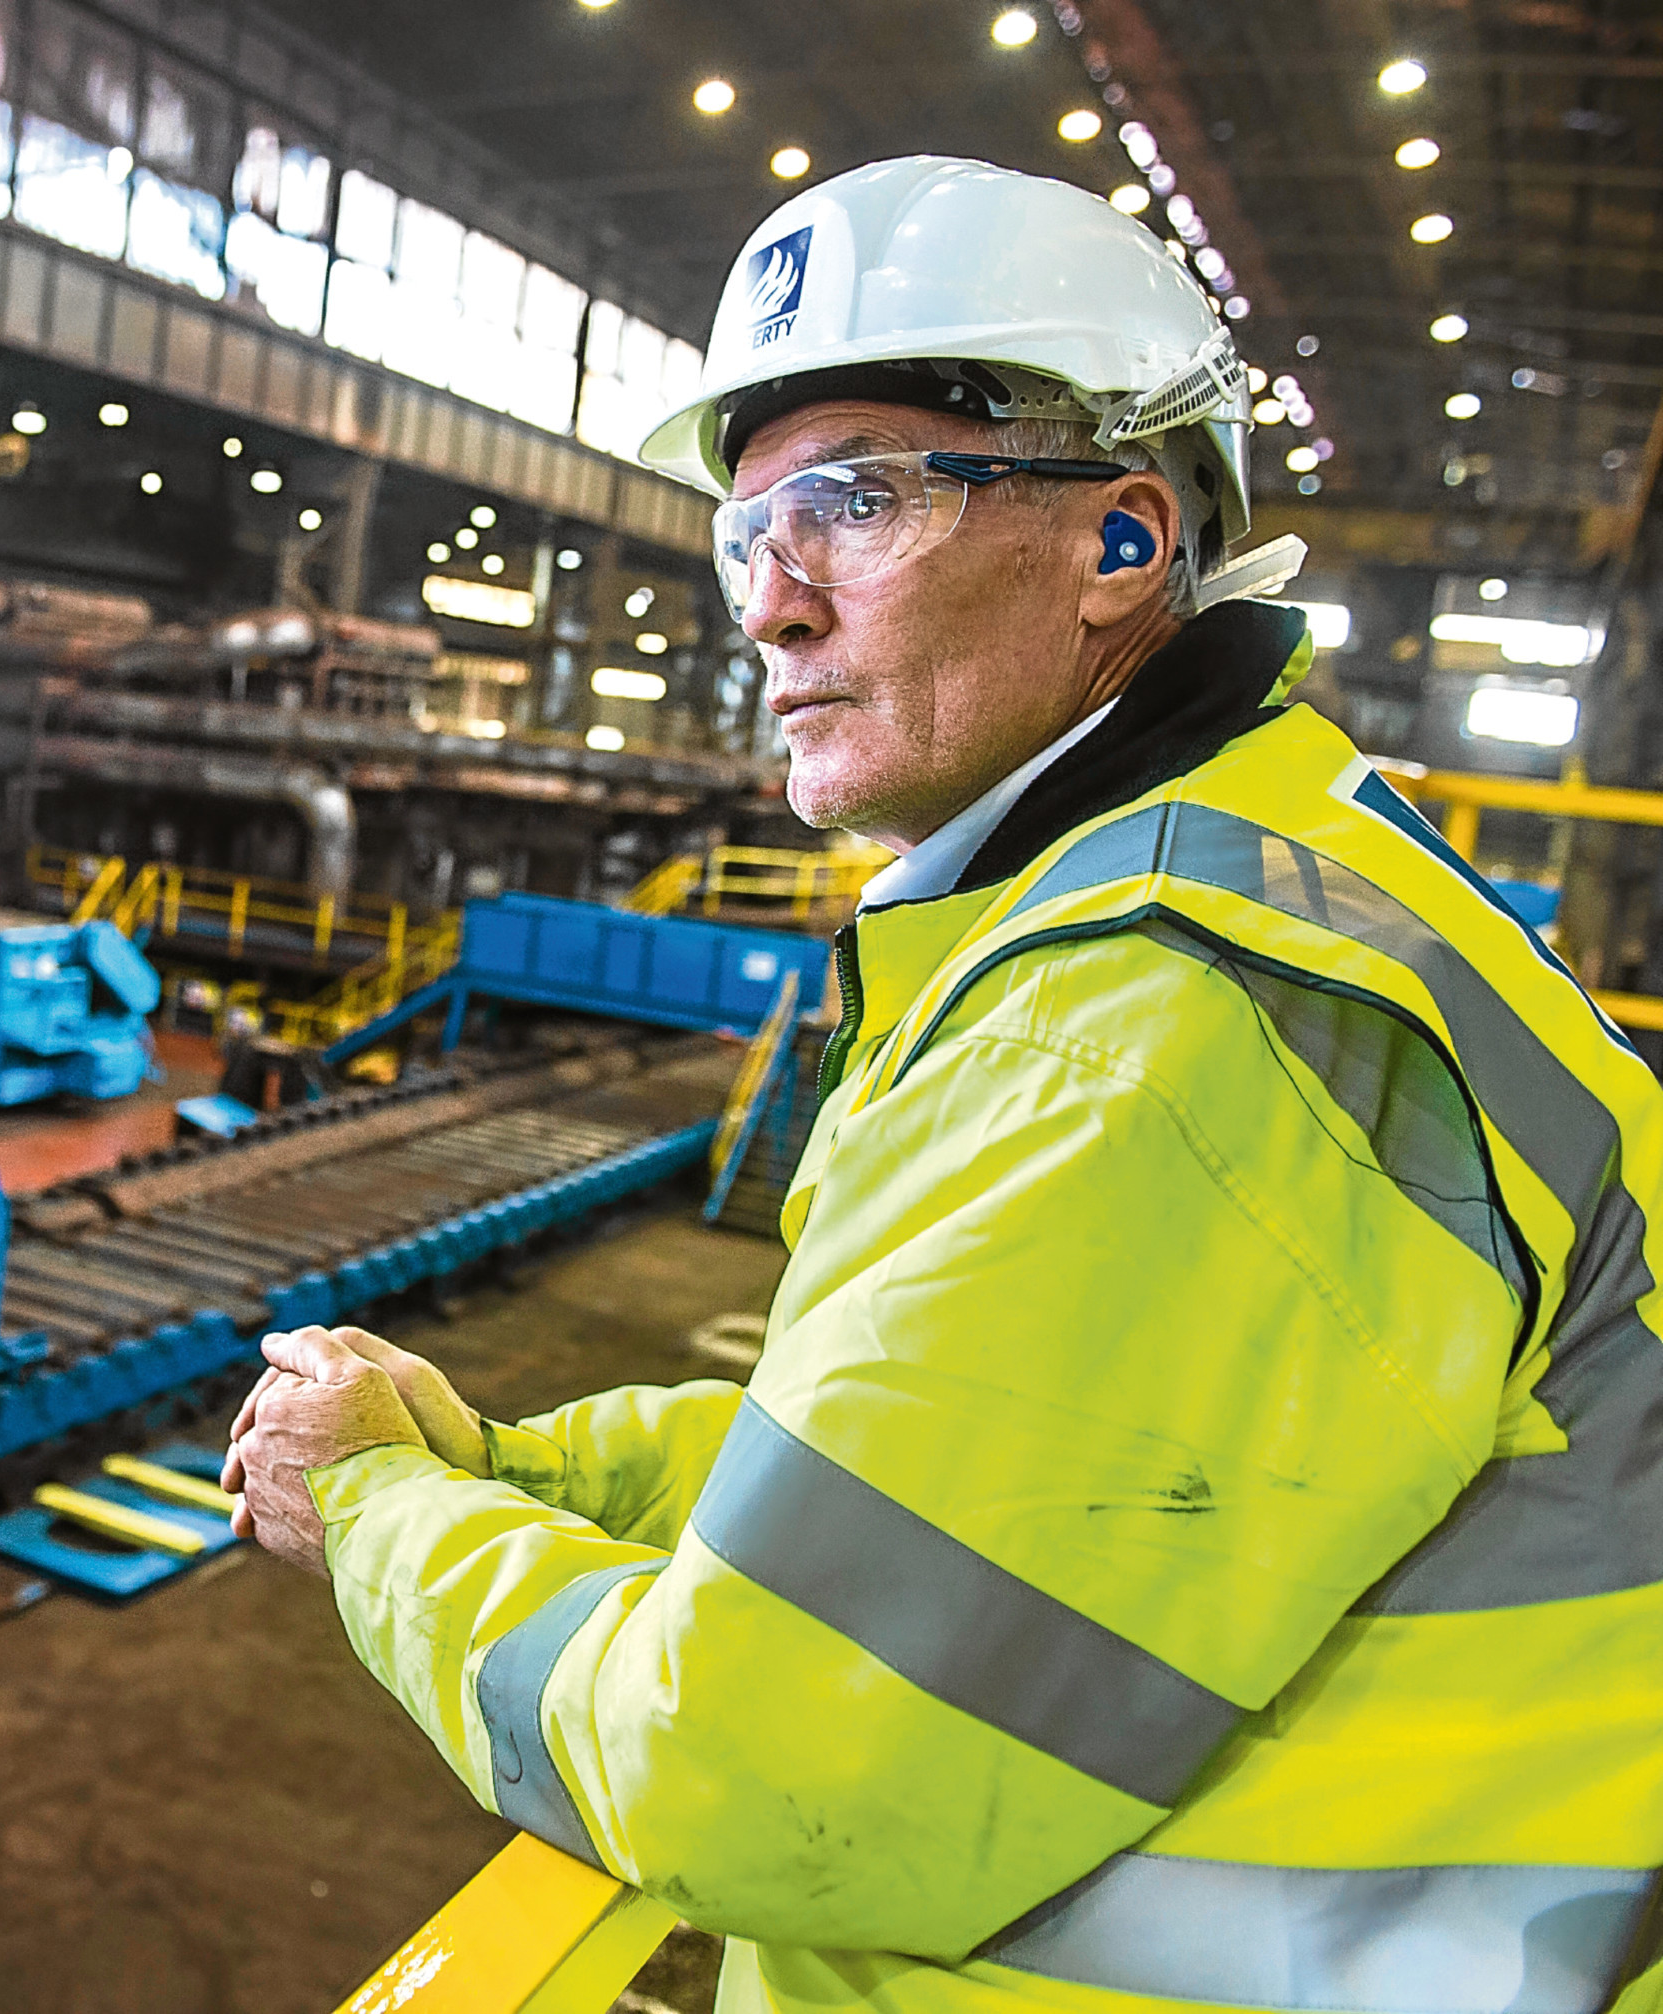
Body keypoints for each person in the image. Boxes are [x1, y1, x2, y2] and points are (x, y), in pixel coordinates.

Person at [225, 155, 1663, 2011]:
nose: (773, 606)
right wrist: (508, 1459)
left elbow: (751, 1763)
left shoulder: (1157, 1024)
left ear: (1121, 543)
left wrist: (369, 1511)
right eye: (751, 536)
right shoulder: (1235, 889)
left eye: (856, 502)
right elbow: (946, 1471)